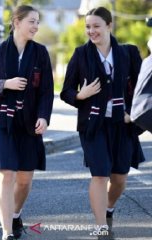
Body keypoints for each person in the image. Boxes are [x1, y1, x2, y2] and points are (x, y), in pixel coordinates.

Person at [60, 7, 145, 235]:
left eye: (96, 26)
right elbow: (66, 91)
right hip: (93, 125)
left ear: (109, 26)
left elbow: (142, 90)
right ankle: (100, 228)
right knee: (100, 174)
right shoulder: (80, 54)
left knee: (119, 178)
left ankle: (108, 209)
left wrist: (133, 113)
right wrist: (80, 95)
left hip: (123, 124)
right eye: (88, 27)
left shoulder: (129, 53)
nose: (91, 31)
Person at [0, 5, 54, 240]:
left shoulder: (40, 52)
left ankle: (16, 213)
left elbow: (47, 91)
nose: (36, 26)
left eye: (38, 22)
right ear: (16, 22)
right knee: (6, 174)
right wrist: (4, 84)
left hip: (29, 123)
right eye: (31, 21)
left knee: (24, 179)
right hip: (0, 122)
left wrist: (43, 116)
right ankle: (7, 231)